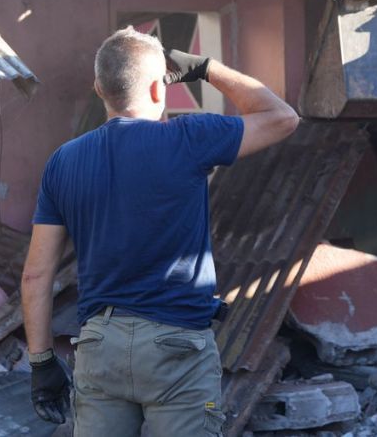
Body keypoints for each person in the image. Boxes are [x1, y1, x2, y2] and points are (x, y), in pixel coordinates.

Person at [20, 27, 299, 436]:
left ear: (99, 88)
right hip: (178, 347)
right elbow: (281, 118)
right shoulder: (188, 139)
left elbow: (36, 275)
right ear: (158, 89)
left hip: (100, 347)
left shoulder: (63, 162)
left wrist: (42, 363)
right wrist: (207, 69)